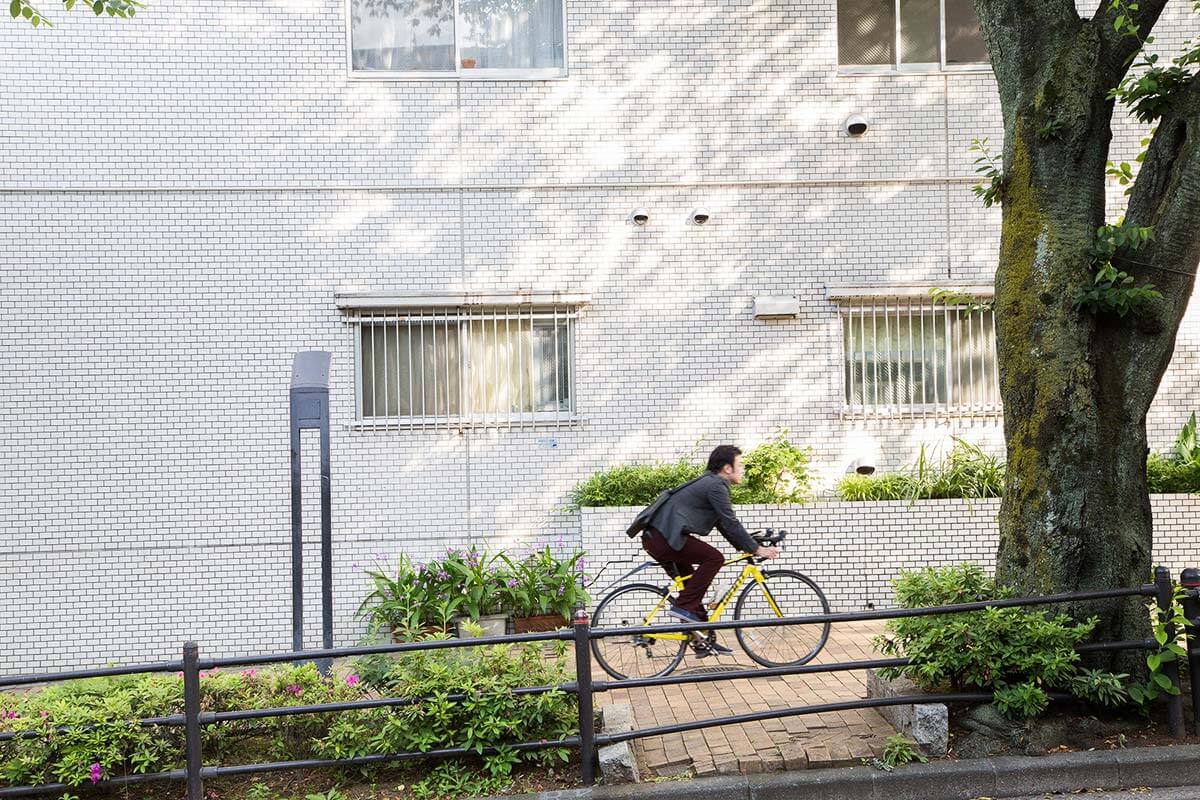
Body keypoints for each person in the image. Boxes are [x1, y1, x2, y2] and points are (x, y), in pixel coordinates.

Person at [639, 445, 780, 655]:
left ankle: (703, 640)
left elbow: (724, 525)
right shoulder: (716, 486)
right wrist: (757, 549)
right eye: (739, 465)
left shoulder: (710, 484)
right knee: (714, 558)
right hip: (665, 538)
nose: (743, 470)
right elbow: (730, 523)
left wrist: (747, 545)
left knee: (691, 585)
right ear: (727, 468)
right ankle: (682, 607)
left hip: (660, 538)